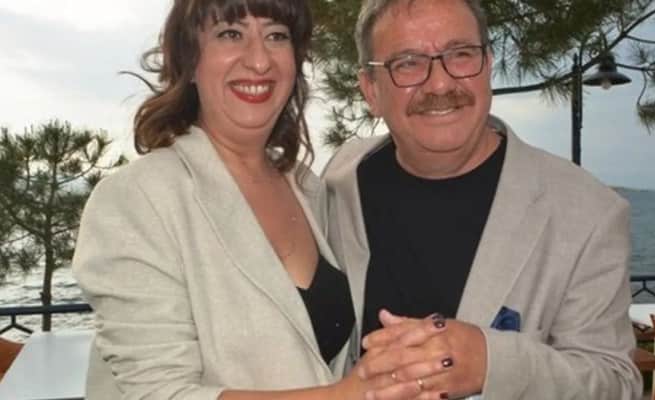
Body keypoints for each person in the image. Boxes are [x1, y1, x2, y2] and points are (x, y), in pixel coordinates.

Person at [72, 1, 447, 399]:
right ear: (189, 60)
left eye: (276, 36)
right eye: (230, 34)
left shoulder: (308, 189)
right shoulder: (136, 199)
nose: (259, 60)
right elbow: (158, 393)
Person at [323, 0, 644, 399]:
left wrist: (492, 363)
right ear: (371, 90)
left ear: (488, 65)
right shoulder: (341, 180)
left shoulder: (589, 213)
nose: (440, 85)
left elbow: (616, 383)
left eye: (460, 54)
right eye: (408, 63)